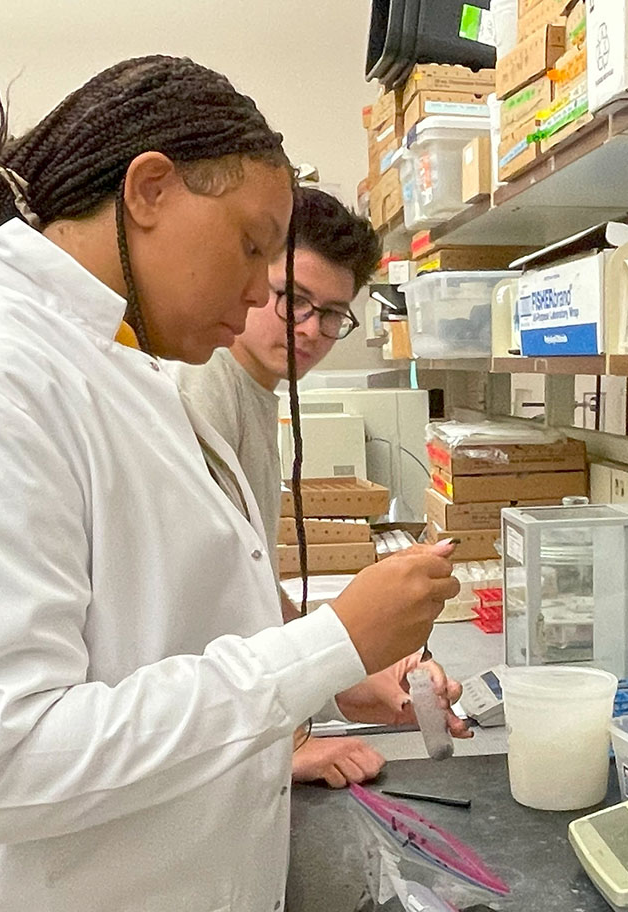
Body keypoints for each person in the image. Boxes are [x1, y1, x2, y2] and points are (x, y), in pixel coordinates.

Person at [0, 56, 459, 912]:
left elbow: (156, 624)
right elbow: (5, 762)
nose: (260, 289)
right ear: (149, 192)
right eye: (252, 245)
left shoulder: (119, 369)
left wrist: (341, 672)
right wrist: (326, 645)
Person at [177, 189, 470, 790]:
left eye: (332, 313)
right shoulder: (202, 383)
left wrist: (346, 676)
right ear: (252, 279)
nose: (311, 329)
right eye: (295, 301)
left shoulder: (253, 392)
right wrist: (287, 744)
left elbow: (250, 581)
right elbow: (194, 606)